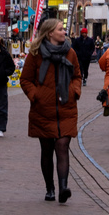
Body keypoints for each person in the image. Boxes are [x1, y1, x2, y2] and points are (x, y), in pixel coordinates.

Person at [20, 18, 81, 204]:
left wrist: (74, 91)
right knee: (46, 150)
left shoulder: (70, 52)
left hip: (66, 108)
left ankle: (63, 187)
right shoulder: (35, 54)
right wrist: (35, 95)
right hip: (43, 110)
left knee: (62, 146)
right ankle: (50, 188)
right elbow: (26, 80)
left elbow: (77, 75)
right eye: (61, 29)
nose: (64, 32)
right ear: (50, 33)